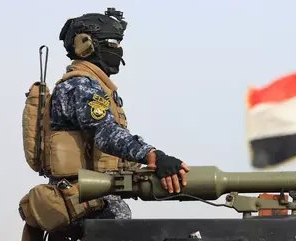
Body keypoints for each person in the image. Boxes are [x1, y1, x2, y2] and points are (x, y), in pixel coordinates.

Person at [20, 7, 189, 241]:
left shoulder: (93, 86)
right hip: (85, 204)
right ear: (86, 44)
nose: (118, 49)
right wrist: (153, 155)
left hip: (94, 201)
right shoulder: (80, 86)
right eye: (112, 42)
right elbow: (105, 133)